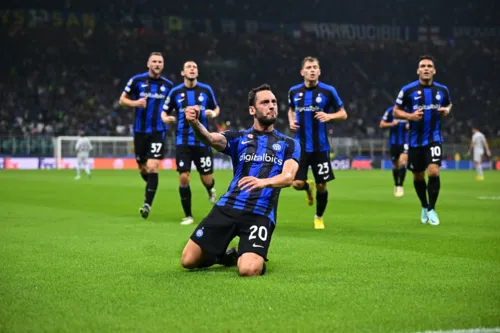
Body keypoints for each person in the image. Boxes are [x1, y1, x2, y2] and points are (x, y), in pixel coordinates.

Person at [180, 84, 300, 276]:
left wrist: (263, 182)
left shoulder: (289, 143)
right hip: (228, 207)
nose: (272, 106)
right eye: (265, 102)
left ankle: (252, 258)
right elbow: (210, 139)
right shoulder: (238, 138)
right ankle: (224, 257)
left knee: (248, 270)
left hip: (259, 213)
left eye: (274, 102)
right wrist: (195, 123)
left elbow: (288, 177)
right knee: (188, 260)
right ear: (252, 109)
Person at [287, 56, 347, 230]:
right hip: (300, 146)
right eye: (309, 67)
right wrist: (291, 121)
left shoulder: (328, 91)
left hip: (321, 147)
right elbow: (291, 110)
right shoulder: (294, 92)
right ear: (302, 72)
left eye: (315, 67)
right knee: (296, 183)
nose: (312, 70)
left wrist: (330, 116)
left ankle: (318, 217)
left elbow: (343, 113)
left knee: (322, 184)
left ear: (319, 71)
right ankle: (307, 187)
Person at [393, 55, 452, 226]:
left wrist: (447, 111)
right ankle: (424, 206)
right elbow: (396, 111)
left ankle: (432, 208)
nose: (426, 68)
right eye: (423, 66)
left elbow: (448, 104)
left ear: (434, 70)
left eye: (429, 66)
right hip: (414, 141)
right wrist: (410, 116)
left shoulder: (442, 90)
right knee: (418, 175)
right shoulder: (408, 90)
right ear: (418, 70)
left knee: (433, 171)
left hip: (434, 137)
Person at [162, 61, 220, 225]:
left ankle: (210, 190)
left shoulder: (206, 90)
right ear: (183, 72)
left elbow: (216, 108)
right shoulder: (175, 92)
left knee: (207, 179)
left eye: (194, 67)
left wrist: (212, 114)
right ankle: (188, 215)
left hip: (203, 140)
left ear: (197, 72)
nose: (192, 69)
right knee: (183, 178)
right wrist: (167, 118)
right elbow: (164, 112)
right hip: (183, 141)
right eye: (188, 67)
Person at [119, 52, 174, 219]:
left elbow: (173, 106)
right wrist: (135, 103)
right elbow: (122, 100)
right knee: (143, 167)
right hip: (140, 131)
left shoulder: (169, 85)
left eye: (160, 62)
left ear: (163, 65)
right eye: (154, 61)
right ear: (148, 64)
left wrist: (169, 117)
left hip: (158, 131)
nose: (157, 64)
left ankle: (147, 204)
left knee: (152, 167)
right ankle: (151, 184)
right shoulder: (137, 80)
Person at [380, 106, 409, 197]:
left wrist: (411, 126)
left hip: (405, 142)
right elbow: (381, 124)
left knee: (402, 162)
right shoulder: (390, 111)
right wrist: (392, 124)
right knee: (395, 166)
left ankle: (400, 185)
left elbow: (416, 123)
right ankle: (396, 184)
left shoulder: (410, 110)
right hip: (393, 143)